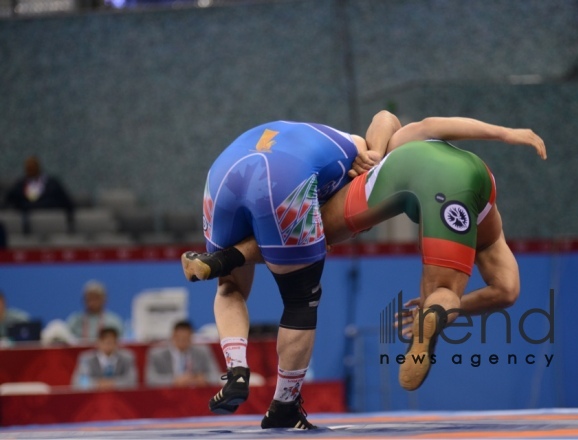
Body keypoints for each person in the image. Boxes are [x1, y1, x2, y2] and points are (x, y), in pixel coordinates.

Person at [182, 111, 547, 397]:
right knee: (449, 292)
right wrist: (507, 133)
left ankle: (223, 260)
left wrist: (371, 152)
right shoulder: (388, 140)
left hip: (397, 175)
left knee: (304, 237)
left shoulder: (373, 155)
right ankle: (435, 312)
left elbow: (404, 123)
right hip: (476, 179)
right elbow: (508, 291)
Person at [180, 117, 391, 430]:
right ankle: (284, 406)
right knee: (300, 296)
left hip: (223, 173)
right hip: (285, 177)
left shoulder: (340, 146)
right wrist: (380, 156)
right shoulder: (366, 160)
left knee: (230, 285)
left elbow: (383, 118)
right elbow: (388, 119)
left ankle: (236, 370)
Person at [5, 155, 75, 234]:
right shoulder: (20, 185)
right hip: (27, 222)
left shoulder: (52, 184)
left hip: (51, 221)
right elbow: (9, 201)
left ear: (38, 167)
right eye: (28, 168)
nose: (30, 169)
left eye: (32, 167)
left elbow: (66, 202)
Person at [145, 320, 223, 388]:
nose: (183, 342)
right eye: (179, 338)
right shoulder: (157, 354)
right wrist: (173, 381)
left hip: (195, 395)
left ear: (191, 337)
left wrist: (205, 379)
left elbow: (216, 375)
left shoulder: (202, 352)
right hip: (167, 397)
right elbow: (150, 379)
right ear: (173, 336)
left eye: (186, 339)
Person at [71, 326, 137, 389]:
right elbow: (79, 381)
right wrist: (97, 384)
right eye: (105, 342)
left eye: (110, 342)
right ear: (98, 342)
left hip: (119, 397)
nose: (107, 345)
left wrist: (114, 384)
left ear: (116, 343)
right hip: (94, 397)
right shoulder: (86, 358)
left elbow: (132, 380)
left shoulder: (127, 357)